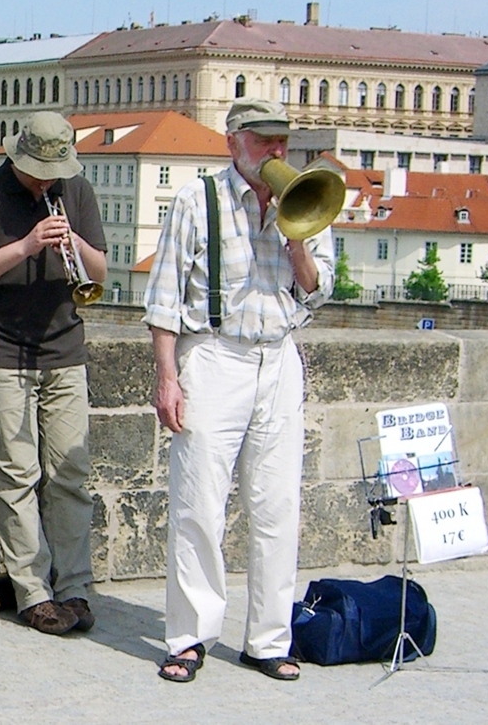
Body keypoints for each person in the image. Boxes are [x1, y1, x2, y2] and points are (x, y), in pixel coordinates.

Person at [144, 96, 335, 684]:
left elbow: (319, 291)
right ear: (234, 142)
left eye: (282, 141)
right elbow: (165, 297)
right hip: (215, 355)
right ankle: (191, 635)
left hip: (278, 357)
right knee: (199, 502)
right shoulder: (196, 199)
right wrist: (168, 377)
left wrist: (297, 237)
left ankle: (269, 638)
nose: (276, 152)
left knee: (277, 505)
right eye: (263, 140)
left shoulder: (307, 197)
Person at [0, 110, 107, 636]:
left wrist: (73, 243)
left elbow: (101, 271)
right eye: (39, 170)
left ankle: (75, 588)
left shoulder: (75, 190)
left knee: (71, 476)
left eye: (54, 170)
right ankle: (33, 592)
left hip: (63, 350)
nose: (46, 180)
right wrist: (26, 245)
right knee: (16, 477)